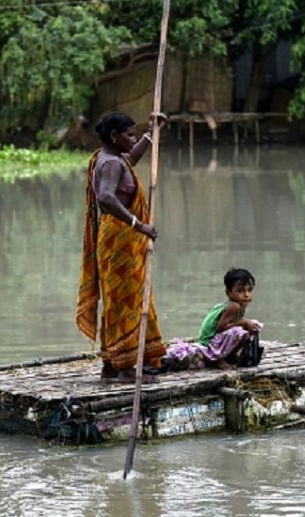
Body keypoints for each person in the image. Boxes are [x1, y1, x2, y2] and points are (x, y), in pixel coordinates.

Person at [76, 111, 168, 383]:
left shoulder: (110, 158)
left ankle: (111, 364)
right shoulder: (110, 164)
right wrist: (139, 225)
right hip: (120, 242)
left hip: (117, 240)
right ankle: (127, 368)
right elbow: (106, 198)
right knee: (128, 301)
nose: (133, 138)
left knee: (118, 303)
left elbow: (131, 160)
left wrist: (152, 133)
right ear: (114, 137)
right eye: (130, 135)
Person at [165, 267, 263, 370]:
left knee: (252, 325)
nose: (246, 294)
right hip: (210, 341)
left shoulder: (239, 305)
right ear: (228, 292)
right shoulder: (234, 306)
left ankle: (230, 355)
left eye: (249, 290)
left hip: (216, 338)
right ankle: (219, 360)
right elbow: (221, 327)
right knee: (239, 331)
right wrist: (244, 322)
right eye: (240, 291)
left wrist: (246, 323)